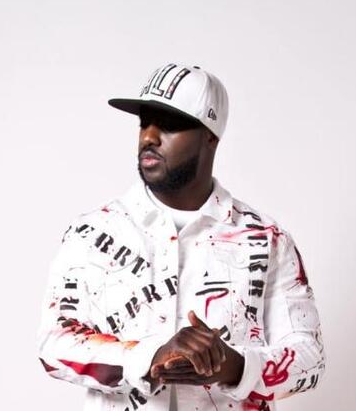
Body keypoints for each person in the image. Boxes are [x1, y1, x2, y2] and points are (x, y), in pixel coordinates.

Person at [36, 63, 326, 411]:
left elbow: (310, 359)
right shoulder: (92, 232)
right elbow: (54, 344)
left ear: (210, 135)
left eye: (169, 124)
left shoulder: (266, 240)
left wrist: (233, 366)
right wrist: (150, 357)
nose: (149, 137)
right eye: (145, 123)